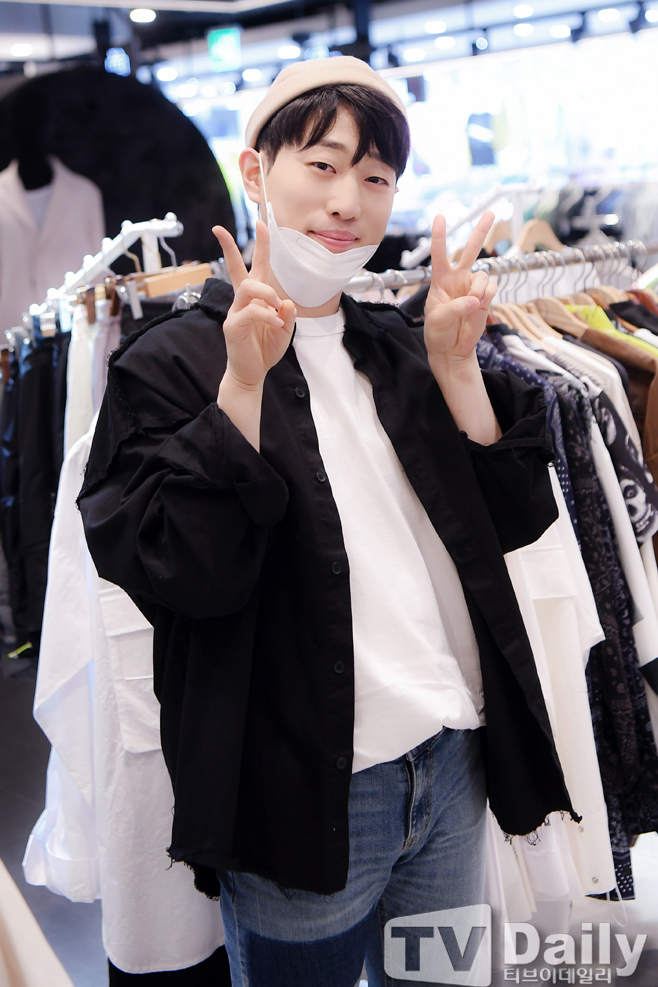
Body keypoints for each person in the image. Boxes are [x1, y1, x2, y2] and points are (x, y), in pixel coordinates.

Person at [79, 57, 577, 987]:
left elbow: (508, 525)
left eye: (377, 177)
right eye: (322, 164)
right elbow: (182, 570)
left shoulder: (395, 345)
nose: (348, 201)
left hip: (449, 763)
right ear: (255, 169)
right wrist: (242, 385)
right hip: (300, 791)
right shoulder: (167, 362)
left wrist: (457, 367)